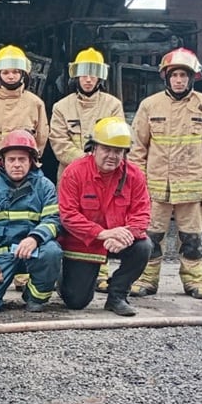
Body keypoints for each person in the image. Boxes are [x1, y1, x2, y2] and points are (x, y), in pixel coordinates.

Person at [128, 48, 202, 299]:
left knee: (192, 239)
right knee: (150, 238)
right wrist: (136, 185)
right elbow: (137, 149)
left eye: (184, 75)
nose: (179, 80)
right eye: (174, 75)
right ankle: (146, 280)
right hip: (155, 188)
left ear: (193, 77)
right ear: (166, 77)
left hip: (193, 189)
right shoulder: (149, 106)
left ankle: (194, 282)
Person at [57, 117, 152, 317]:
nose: (112, 156)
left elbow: (142, 213)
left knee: (143, 246)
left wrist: (128, 235)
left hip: (118, 239)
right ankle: (64, 279)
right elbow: (68, 215)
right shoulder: (74, 172)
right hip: (83, 243)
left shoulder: (134, 175)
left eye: (118, 151)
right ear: (94, 148)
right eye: (106, 149)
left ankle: (117, 295)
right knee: (75, 302)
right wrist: (103, 233)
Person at [49, 47, 125, 294]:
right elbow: (58, 142)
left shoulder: (113, 106)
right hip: (71, 177)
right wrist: (86, 162)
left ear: (100, 76)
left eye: (93, 74)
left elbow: (117, 138)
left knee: (101, 219)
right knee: (69, 223)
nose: (88, 79)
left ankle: (100, 273)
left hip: (104, 178)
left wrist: (99, 164)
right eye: (84, 73)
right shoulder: (62, 107)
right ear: (76, 75)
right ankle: (65, 271)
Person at [0, 130, 61, 313]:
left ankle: (34, 297)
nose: (17, 164)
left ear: (31, 161)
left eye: (22, 159)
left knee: (51, 252)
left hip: (33, 251)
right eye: (11, 159)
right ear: (2, 161)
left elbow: (53, 220)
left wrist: (35, 238)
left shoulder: (45, 187)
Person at [0, 44, 48, 181]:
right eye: (5, 72)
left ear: (23, 74)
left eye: (16, 72)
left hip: (22, 174)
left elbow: (41, 139)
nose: (11, 76)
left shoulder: (35, 104)